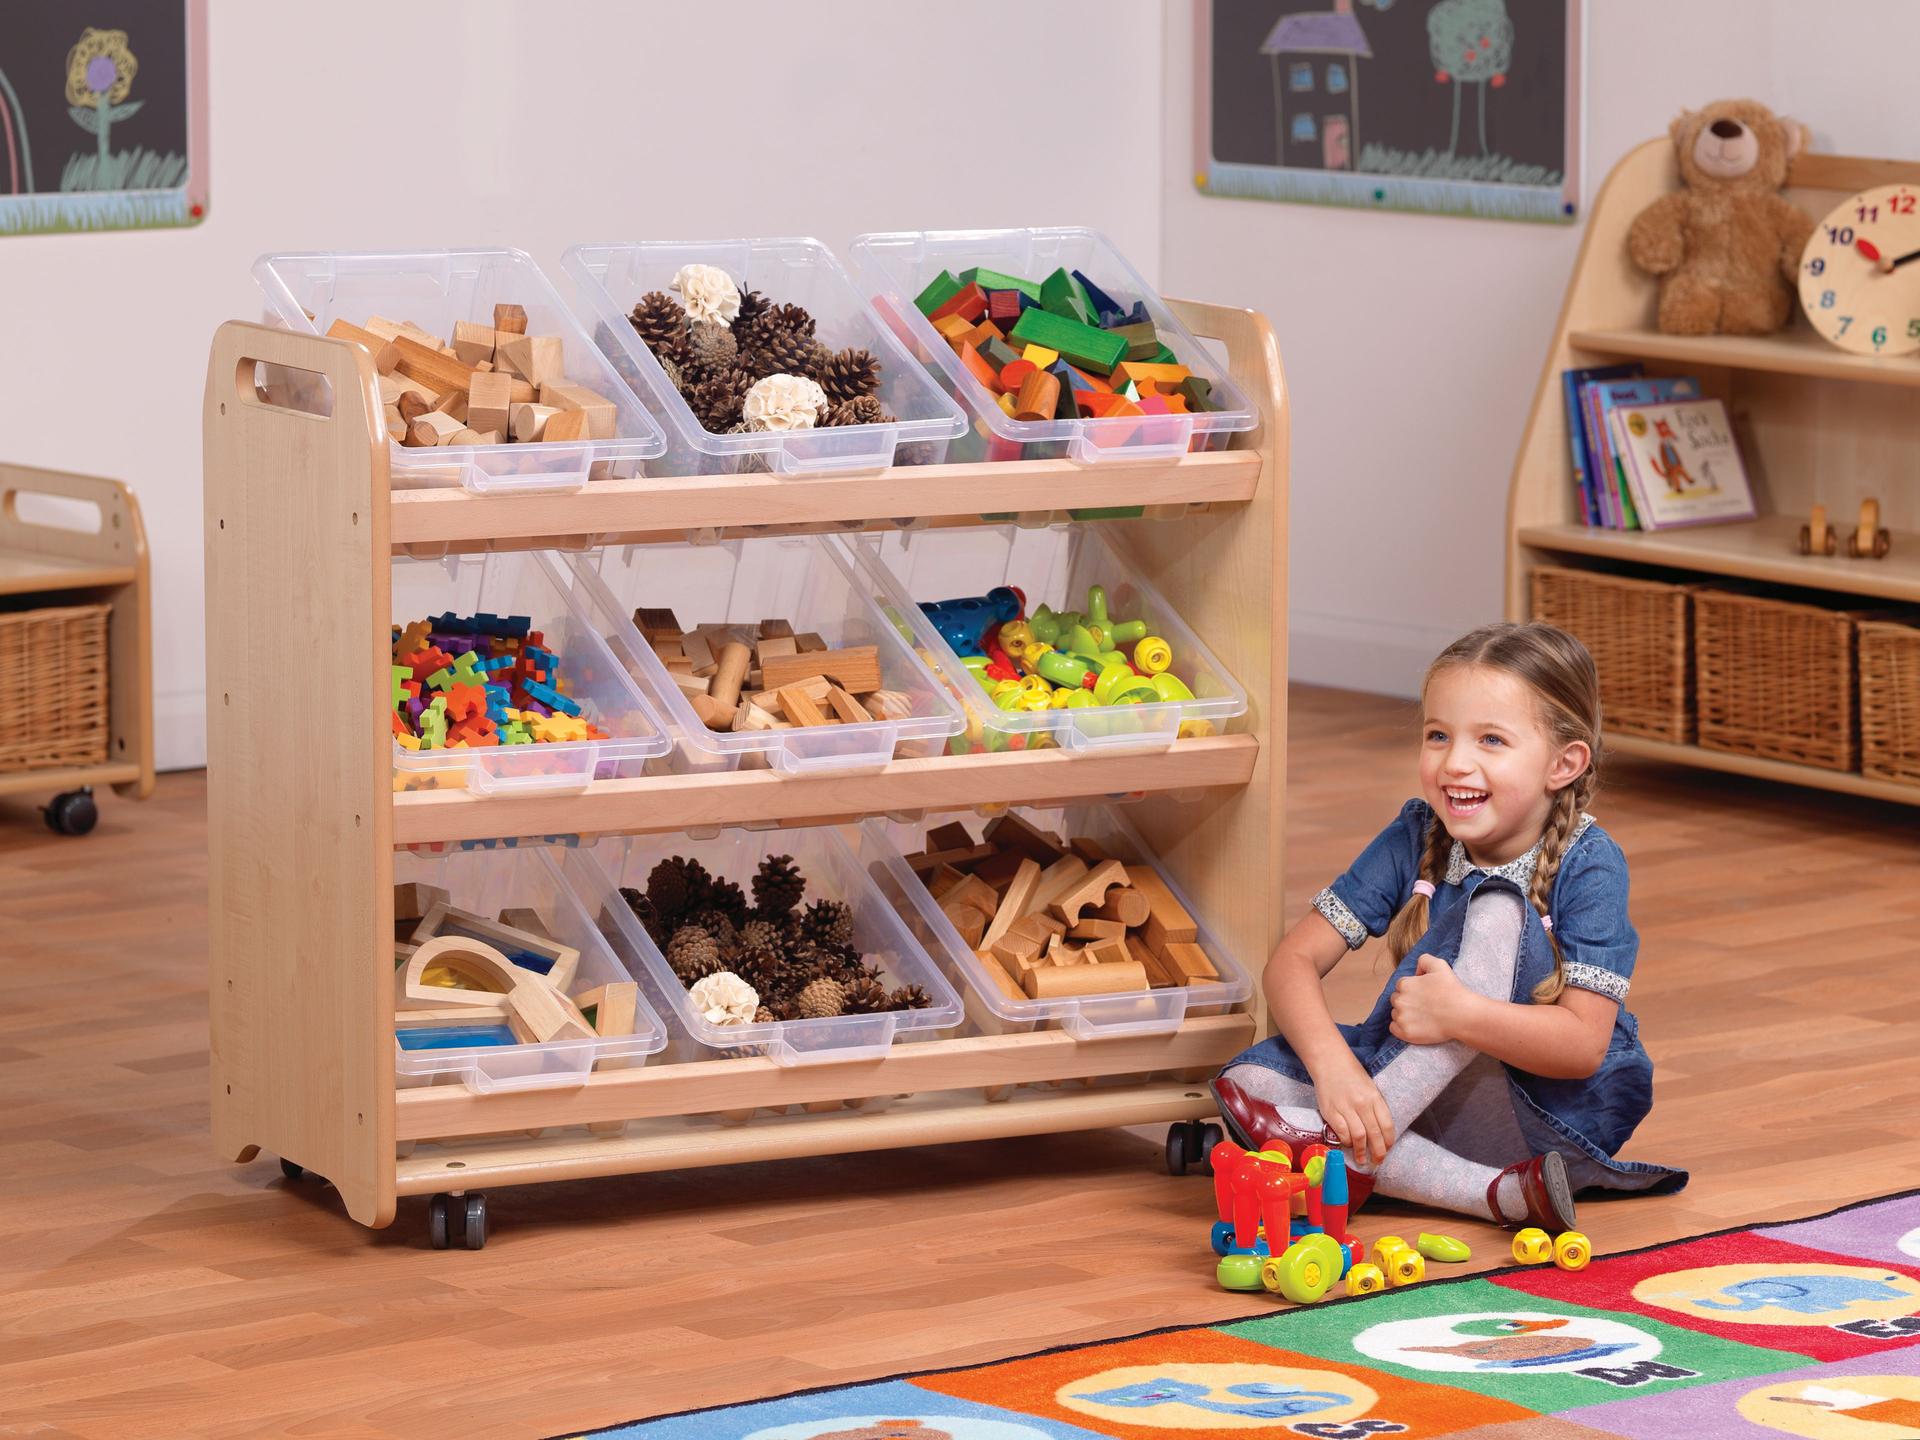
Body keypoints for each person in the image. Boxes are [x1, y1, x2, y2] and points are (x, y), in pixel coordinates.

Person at [1212, 622, 1685, 1231]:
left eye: (1491, 740)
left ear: (1564, 763)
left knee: (1496, 905)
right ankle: (1496, 1194)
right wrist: (1336, 1074)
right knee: (1244, 1080)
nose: (1455, 762)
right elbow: (1291, 963)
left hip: (1546, 1115)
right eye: (1438, 735)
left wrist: (1461, 1016)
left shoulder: (1591, 862)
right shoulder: (1416, 831)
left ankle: (1331, 1152)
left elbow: (1583, 1047)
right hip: (1430, 1110)